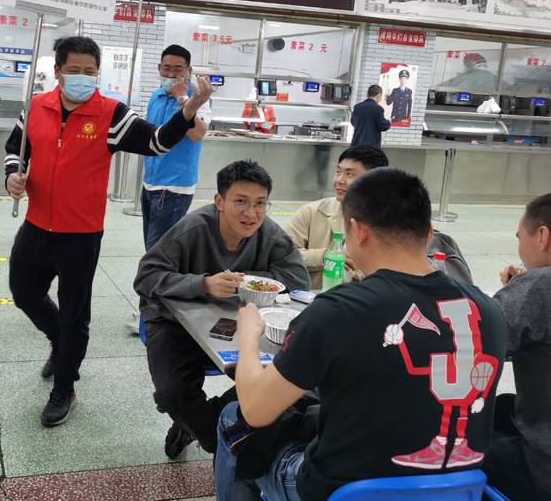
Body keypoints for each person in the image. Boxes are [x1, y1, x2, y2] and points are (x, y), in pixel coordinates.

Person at [215, 168, 507, 501]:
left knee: (233, 419)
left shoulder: (337, 310)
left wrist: (248, 337)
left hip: (347, 493)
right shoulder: (489, 310)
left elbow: (256, 409)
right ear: (428, 234)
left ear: (358, 231)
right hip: (454, 491)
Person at [4, 36, 212, 427]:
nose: (82, 77)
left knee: (75, 313)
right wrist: (12, 176)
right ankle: (58, 341)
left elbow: (157, 142)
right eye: (74, 70)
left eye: (90, 71)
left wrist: (190, 108)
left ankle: (64, 386)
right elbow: (16, 149)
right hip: (36, 225)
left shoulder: (111, 114)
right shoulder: (35, 107)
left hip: (81, 234)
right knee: (23, 292)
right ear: (58, 70)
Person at [134, 160, 310, 459]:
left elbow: (297, 278)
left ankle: (196, 422)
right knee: (172, 393)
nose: (251, 213)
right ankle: (220, 440)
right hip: (173, 322)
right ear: (219, 201)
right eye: (240, 201)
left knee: (282, 378)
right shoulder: (193, 228)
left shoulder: (269, 233)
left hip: (241, 323)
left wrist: (245, 280)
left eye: (260, 203)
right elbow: (146, 276)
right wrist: (203, 283)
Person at [484, 193, 551, 501]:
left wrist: (516, 289)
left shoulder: (538, 285)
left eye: (519, 236)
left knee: (446, 447)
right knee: (502, 408)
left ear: (542, 236)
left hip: (540, 465)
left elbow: (481, 337)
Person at [286, 146, 388, 289]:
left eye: (350, 174)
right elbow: (284, 256)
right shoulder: (311, 212)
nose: (339, 180)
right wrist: (325, 256)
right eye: (338, 172)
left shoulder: (390, 224)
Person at [141, 45, 210, 252]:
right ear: (159, 68)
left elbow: (197, 134)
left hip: (174, 188)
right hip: (149, 184)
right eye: (166, 68)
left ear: (189, 70)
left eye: (178, 69)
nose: (171, 74)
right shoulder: (156, 96)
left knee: (160, 252)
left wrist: (183, 100)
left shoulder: (197, 98)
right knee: (151, 248)